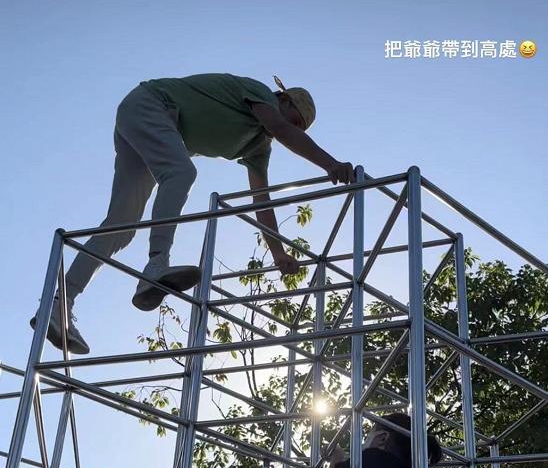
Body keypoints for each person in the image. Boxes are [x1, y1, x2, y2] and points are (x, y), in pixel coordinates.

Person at [31, 73, 355, 355]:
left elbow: (261, 199)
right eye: (294, 119)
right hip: (150, 105)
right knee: (182, 173)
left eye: (299, 127)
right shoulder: (258, 94)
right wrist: (331, 164)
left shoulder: (258, 145)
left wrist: (278, 253)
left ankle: (61, 304)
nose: (288, 129)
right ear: (282, 99)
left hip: (147, 122)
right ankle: (156, 264)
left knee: (122, 226)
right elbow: (280, 127)